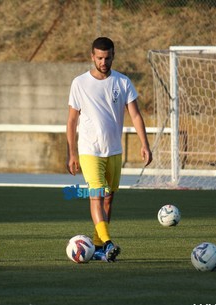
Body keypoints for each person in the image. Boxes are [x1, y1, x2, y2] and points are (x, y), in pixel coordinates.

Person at [66, 37, 152, 262]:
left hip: (114, 151)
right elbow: (72, 121)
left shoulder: (123, 82)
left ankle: (98, 247)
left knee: (108, 199)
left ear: (113, 56)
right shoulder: (79, 83)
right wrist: (72, 153)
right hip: (89, 150)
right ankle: (108, 242)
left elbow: (135, 114)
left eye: (107, 57)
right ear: (92, 57)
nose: (103, 62)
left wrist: (145, 144)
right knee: (95, 195)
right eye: (99, 58)